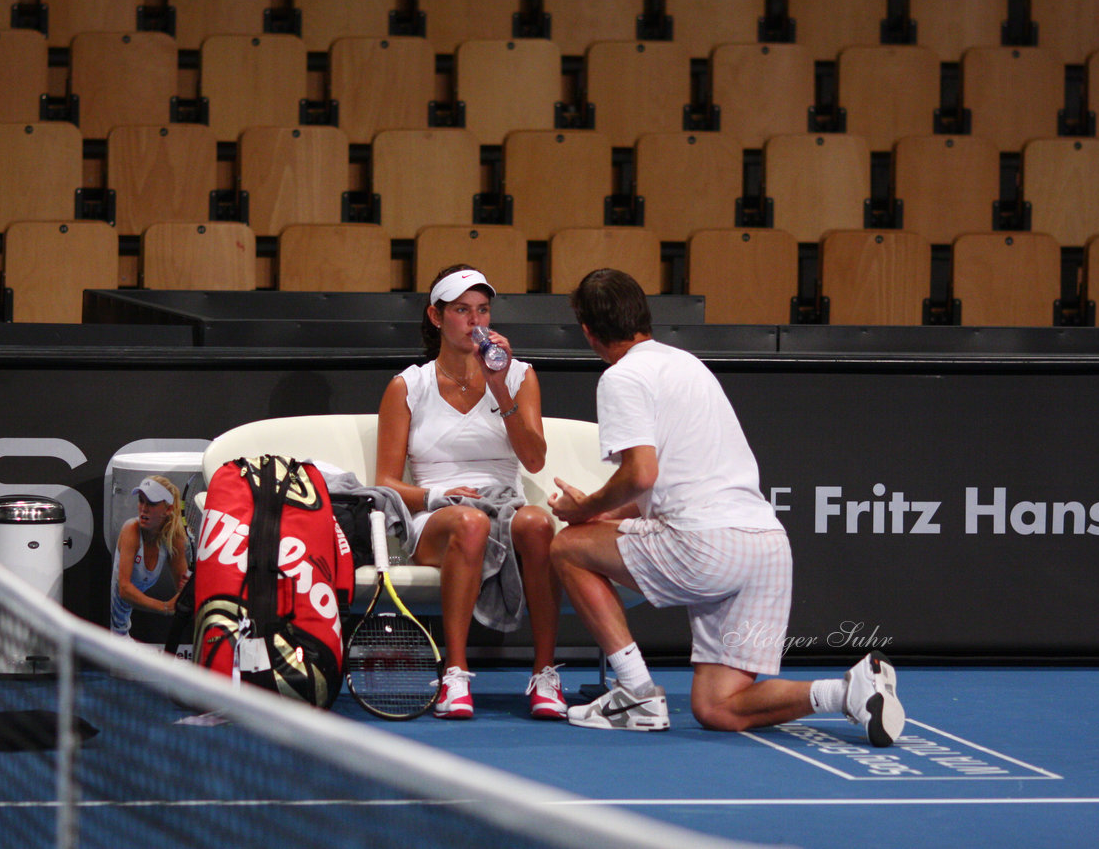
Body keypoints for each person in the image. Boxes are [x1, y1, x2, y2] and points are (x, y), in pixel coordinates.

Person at [547, 268, 905, 746]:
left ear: (588, 331)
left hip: (706, 547)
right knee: (717, 708)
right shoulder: (688, 364)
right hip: (766, 550)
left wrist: (583, 509)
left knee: (568, 547)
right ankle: (846, 692)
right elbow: (675, 480)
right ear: (643, 317)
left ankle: (635, 692)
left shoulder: (622, 377)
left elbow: (641, 474)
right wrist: (608, 516)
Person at [375, 265, 566, 720]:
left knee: (539, 523)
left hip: (504, 500)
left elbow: (534, 460)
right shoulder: (408, 385)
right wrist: (438, 498)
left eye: (483, 311)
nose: (475, 322)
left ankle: (545, 674)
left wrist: (498, 385)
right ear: (437, 317)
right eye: (462, 311)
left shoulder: (520, 377)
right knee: (470, 520)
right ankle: (454, 674)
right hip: (439, 511)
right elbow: (386, 482)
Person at [110, 476, 190, 637]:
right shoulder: (131, 529)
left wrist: (188, 589)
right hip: (105, 633)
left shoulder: (173, 539)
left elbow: (183, 591)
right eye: (141, 501)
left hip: (121, 631)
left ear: (167, 509)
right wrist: (165, 607)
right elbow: (124, 589)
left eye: (152, 503)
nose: (143, 509)